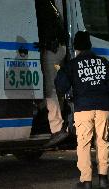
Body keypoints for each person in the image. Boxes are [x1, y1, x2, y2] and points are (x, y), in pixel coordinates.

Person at [55, 31, 109, 189]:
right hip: (103, 108)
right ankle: (104, 178)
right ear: (90, 45)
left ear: (76, 47)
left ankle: (86, 181)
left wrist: (60, 70)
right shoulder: (103, 62)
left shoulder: (72, 64)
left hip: (83, 109)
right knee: (102, 142)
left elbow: (61, 86)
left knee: (84, 144)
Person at [35, 0, 69, 147]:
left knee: (49, 90)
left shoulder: (40, 4)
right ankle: (45, 116)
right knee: (53, 88)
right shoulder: (50, 4)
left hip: (51, 49)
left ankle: (57, 127)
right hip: (59, 49)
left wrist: (43, 43)